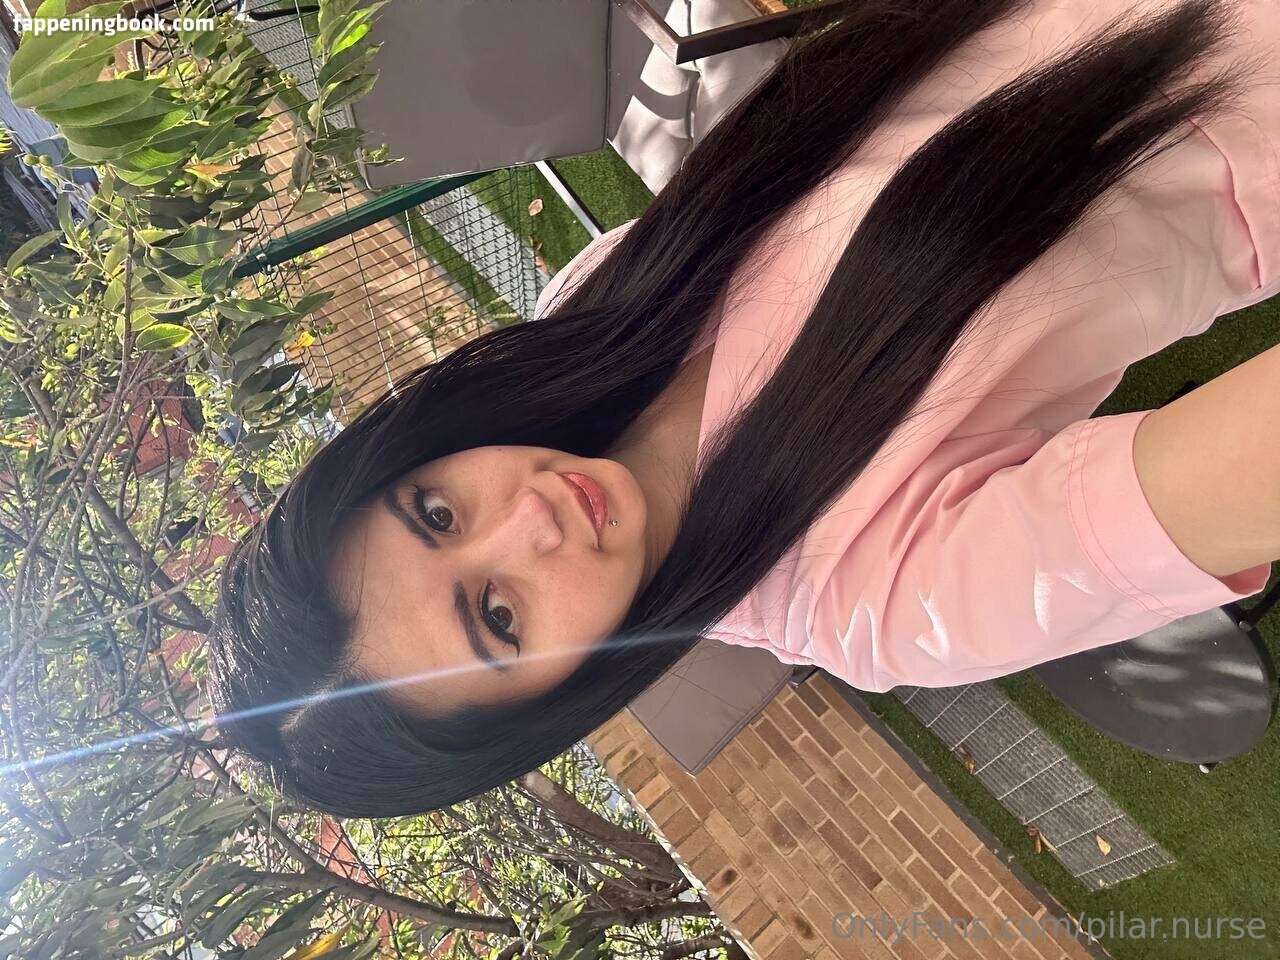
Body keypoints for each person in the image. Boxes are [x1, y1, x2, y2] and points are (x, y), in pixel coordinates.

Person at [204, 0, 1280, 818]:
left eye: (436, 513)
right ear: (555, 697)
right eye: (497, 616)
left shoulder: (590, 316)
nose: (528, 517)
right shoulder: (883, 598)